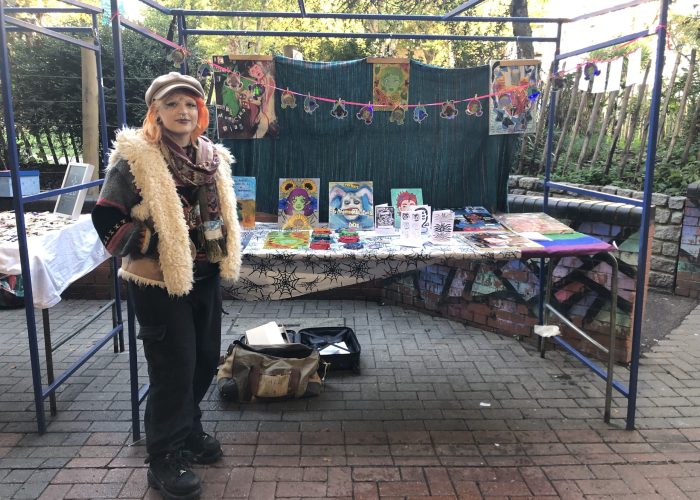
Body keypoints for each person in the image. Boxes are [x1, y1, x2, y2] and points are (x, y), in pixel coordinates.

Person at [91, 72, 242, 500]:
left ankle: (189, 431)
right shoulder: (136, 159)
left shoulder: (213, 157)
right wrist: (152, 242)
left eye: (190, 104)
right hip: (159, 280)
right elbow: (106, 218)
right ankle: (163, 458)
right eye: (172, 104)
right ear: (155, 112)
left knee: (203, 362)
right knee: (172, 368)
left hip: (206, 274)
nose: (183, 112)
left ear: (201, 112)